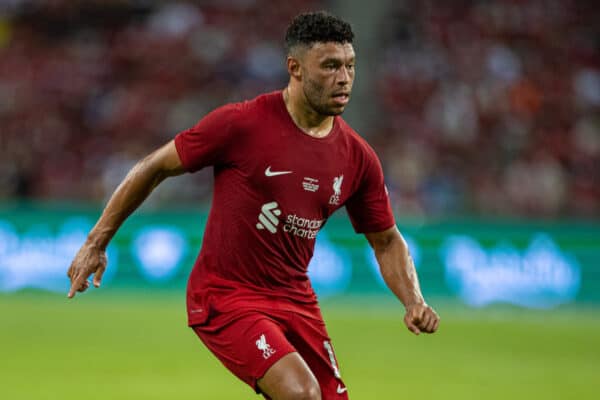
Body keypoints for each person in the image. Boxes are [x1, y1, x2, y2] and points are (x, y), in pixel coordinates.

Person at [67, 11, 439, 400]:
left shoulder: (358, 158)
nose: (344, 78)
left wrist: (414, 300)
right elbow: (154, 167)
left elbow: (387, 241)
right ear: (294, 68)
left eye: (350, 65)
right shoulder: (241, 124)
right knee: (301, 395)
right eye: (330, 66)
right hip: (226, 296)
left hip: (297, 300)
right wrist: (96, 241)